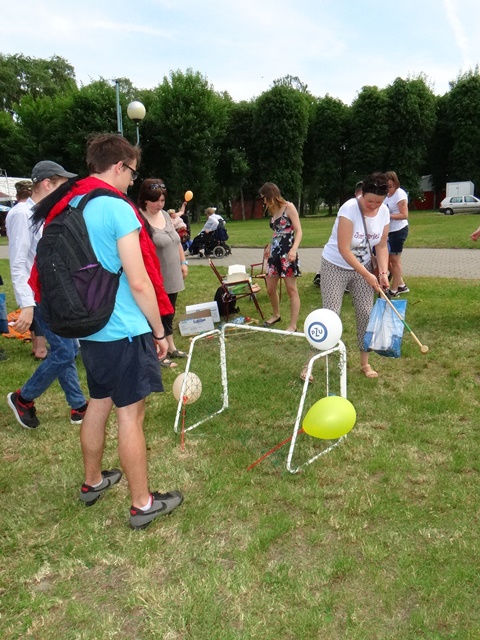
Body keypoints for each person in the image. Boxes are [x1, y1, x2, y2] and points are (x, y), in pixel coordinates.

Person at [29, 134, 182, 530]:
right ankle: (142, 503)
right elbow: (139, 282)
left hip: (91, 328)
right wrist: (159, 331)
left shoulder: (72, 201)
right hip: (124, 329)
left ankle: (93, 481)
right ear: (119, 166)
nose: (132, 180)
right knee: (131, 414)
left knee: (99, 402)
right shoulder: (116, 208)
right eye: (132, 173)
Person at [6, 161, 88, 429]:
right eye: (62, 184)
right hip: (39, 296)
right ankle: (23, 398)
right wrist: (27, 305)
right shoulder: (22, 214)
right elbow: (19, 263)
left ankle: (78, 406)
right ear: (47, 184)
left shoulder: (42, 213)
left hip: (53, 292)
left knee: (68, 348)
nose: (67, 190)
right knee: (64, 351)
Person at [318, 172, 390, 379]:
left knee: (366, 314)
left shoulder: (384, 212)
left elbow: (381, 246)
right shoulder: (349, 209)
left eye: (378, 202)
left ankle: (365, 363)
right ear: (362, 194)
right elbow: (344, 249)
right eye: (370, 201)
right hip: (335, 265)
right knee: (330, 314)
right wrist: (367, 274)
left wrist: (382, 273)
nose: (373, 206)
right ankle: (312, 361)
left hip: (364, 266)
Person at [138, 179, 189, 367]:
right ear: (145, 200)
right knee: (156, 314)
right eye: (156, 201)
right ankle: (158, 353)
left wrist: (183, 262)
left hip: (173, 273)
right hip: (155, 276)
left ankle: (171, 347)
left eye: (162, 200)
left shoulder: (166, 216)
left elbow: (176, 241)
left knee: (169, 312)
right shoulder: (139, 219)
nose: (160, 205)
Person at [260, 182, 302, 333]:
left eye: (264, 197)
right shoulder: (273, 210)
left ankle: (293, 325)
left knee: (291, 290)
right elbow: (278, 232)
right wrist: (269, 246)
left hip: (287, 254)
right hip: (274, 254)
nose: (263, 201)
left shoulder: (288, 207)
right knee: (270, 288)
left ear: (271, 195)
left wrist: (294, 249)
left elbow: (299, 231)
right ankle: (276, 315)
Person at [384, 171, 409, 296]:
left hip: (398, 230)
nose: (388, 189)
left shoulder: (400, 194)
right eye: (386, 186)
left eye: (390, 186)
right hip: (388, 231)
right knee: (387, 260)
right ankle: (401, 285)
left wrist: (388, 216)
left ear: (395, 184)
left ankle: (394, 290)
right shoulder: (386, 195)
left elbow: (404, 214)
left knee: (394, 260)